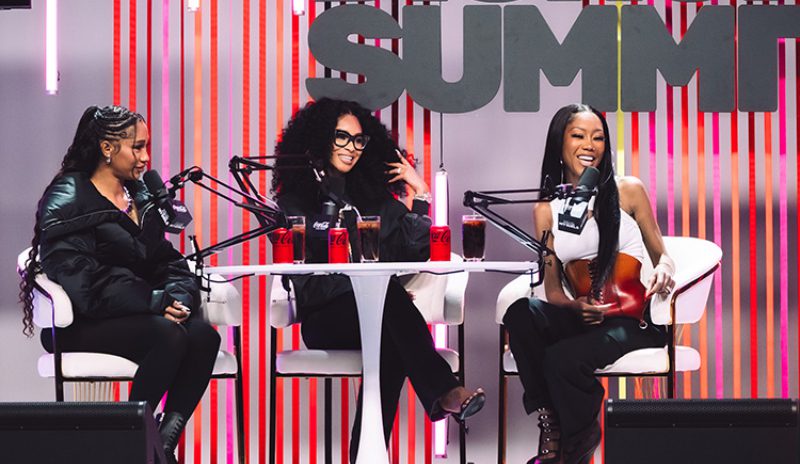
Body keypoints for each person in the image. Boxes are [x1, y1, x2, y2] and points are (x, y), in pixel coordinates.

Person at [272, 98, 485, 462]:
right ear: (322, 138)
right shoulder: (295, 203)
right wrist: (372, 286)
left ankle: (364, 456)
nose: (351, 148)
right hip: (324, 319)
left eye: (358, 140)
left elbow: (418, 249)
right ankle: (445, 392)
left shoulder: (370, 197)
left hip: (380, 316)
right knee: (388, 305)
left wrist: (420, 194)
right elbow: (309, 287)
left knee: (389, 339)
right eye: (342, 137)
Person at [18, 105, 221, 464]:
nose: (146, 158)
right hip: (81, 323)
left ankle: (162, 443)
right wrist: (153, 301)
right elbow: (83, 283)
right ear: (107, 148)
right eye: (137, 148)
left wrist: (175, 296)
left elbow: (166, 261)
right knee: (169, 335)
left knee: (205, 336)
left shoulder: (138, 198)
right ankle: (128, 444)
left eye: (146, 147)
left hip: (135, 314)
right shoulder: (68, 198)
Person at [502, 104, 676, 464]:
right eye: (578, 135)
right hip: (587, 317)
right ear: (559, 144)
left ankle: (574, 449)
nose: (590, 144)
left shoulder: (628, 191)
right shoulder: (546, 210)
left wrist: (664, 271)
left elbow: (662, 253)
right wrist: (572, 307)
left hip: (632, 322)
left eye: (598, 137)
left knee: (562, 358)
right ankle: (551, 420)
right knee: (520, 313)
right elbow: (552, 289)